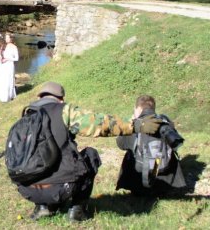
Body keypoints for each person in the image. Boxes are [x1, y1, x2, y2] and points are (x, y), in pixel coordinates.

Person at [16, 82, 163, 222]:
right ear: (61, 100)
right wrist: (135, 125)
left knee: (40, 160)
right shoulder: (64, 111)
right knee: (91, 155)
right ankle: (76, 210)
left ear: (39, 98)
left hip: (27, 189)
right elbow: (100, 124)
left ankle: (43, 206)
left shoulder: (27, 114)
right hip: (60, 188)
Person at [115, 95, 187, 196]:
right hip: (165, 181)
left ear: (137, 109)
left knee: (130, 153)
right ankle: (171, 185)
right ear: (153, 108)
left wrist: (130, 125)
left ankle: (134, 186)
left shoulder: (136, 124)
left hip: (139, 186)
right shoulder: (164, 121)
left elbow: (120, 144)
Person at [0, 32, 18, 102]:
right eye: (5, 38)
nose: (6, 39)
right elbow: (1, 54)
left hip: (10, 65)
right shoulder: (4, 46)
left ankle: (10, 95)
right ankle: (3, 95)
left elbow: (16, 58)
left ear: (11, 39)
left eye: (7, 38)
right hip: (4, 65)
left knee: (9, 79)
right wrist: (1, 58)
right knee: (4, 80)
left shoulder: (14, 47)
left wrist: (8, 59)